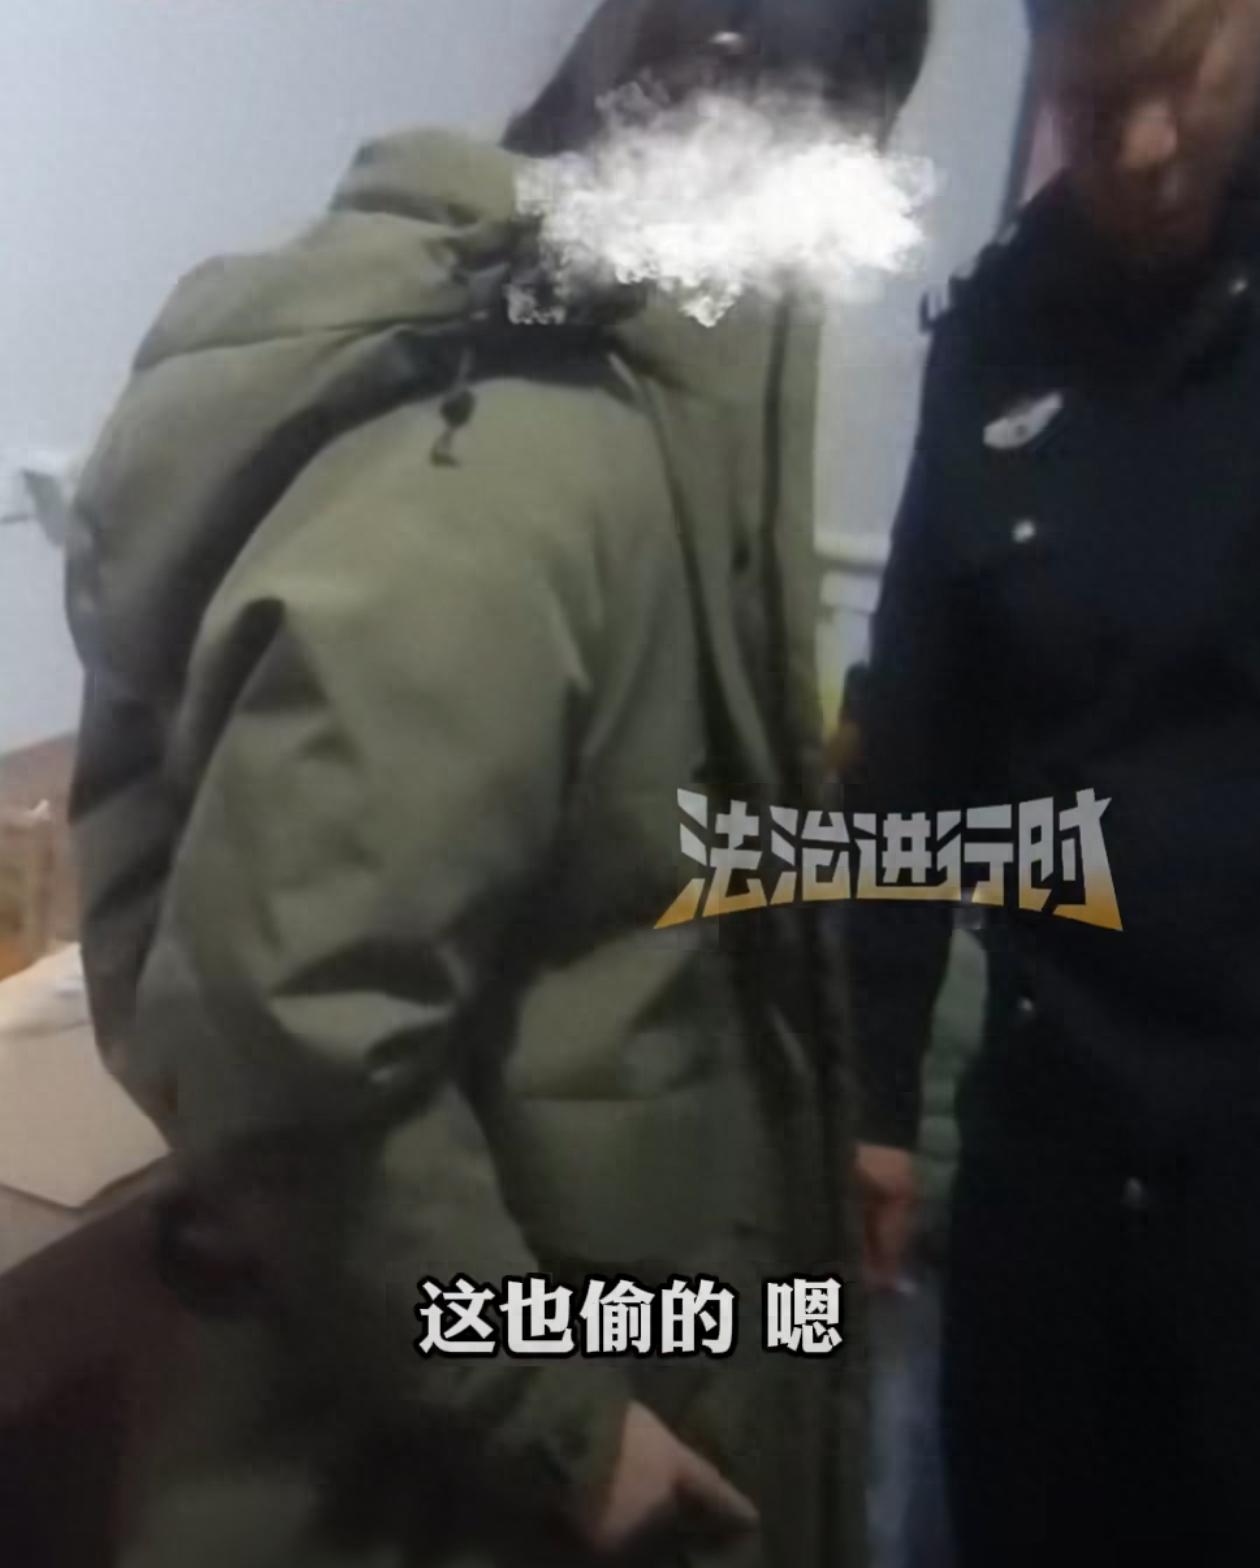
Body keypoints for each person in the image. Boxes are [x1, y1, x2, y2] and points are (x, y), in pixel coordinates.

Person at [65, 2, 929, 1566]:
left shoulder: (617, 411)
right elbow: (294, 1040)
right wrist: (560, 1420)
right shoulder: (513, 466)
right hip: (458, 1482)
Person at [849, 0, 1260, 1562]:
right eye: (1093, 106)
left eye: (1181, 81)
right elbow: (915, 746)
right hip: (1056, 1155)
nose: (1143, 148)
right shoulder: (1002, 329)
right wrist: (875, 1100)